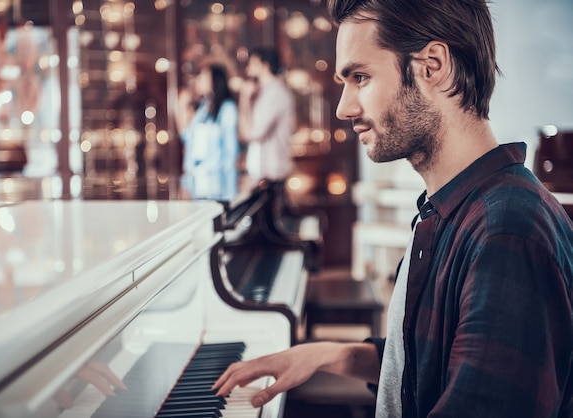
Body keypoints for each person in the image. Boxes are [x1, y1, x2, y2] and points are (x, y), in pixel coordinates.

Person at [213, 0, 573, 416]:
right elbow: (429, 363)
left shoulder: (508, 232)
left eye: (360, 77)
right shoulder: (450, 209)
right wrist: (330, 355)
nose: (343, 108)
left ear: (432, 66)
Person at [177, 63, 239, 201]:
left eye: (202, 76)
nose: (198, 80)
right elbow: (186, 136)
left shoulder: (227, 109)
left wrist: (228, 190)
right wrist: (180, 107)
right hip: (197, 180)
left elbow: (231, 152)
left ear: (214, 80)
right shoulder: (203, 109)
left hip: (218, 183)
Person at [238, 46, 295, 188]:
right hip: (261, 172)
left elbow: (252, 133)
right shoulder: (261, 93)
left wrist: (244, 99)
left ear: (265, 66)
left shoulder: (275, 93)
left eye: (252, 64)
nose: (248, 70)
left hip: (272, 173)